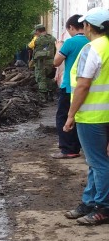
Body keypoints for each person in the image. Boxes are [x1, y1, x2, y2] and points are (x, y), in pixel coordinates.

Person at [62, 7, 109, 225]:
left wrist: (71, 115)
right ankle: (89, 201)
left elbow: (82, 85)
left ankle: (104, 207)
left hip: (93, 117)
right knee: (95, 161)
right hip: (104, 115)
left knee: (99, 163)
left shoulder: (93, 48)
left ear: (89, 27)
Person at [51, 14, 87, 159]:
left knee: (64, 117)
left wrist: (59, 47)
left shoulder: (70, 43)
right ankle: (81, 146)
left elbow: (56, 62)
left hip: (70, 87)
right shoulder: (92, 42)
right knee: (81, 117)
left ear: (71, 27)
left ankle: (68, 149)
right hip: (88, 86)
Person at [30, 24, 57, 100]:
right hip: (51, 62)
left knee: (41, 79)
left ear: (38, 31)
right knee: (49, 78)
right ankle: (51, 95)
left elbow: (29, 47)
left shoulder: (37, 39)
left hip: (40, 62)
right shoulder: (53, 39)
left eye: (36, 32)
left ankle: (43, 98)